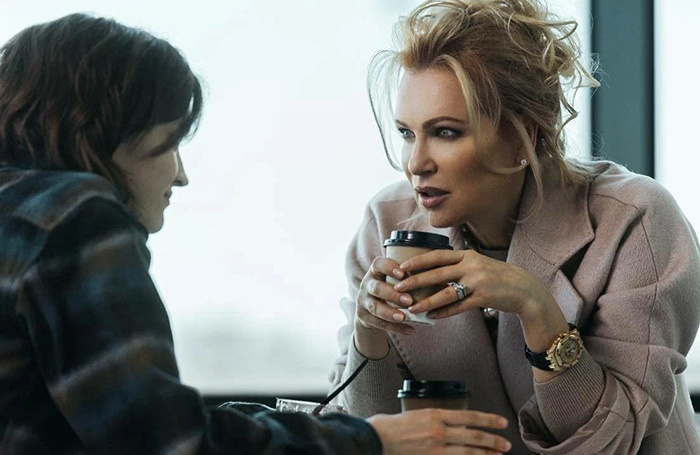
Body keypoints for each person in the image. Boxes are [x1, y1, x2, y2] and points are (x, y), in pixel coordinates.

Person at [0, 13, 510, 455]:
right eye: (169, 144)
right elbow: (172, 443)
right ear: (101, 136)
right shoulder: (77, 219)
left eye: (444, 131)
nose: (180, 175)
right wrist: (372, 440)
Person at [329, 0, 700, 453]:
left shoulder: (635, 220)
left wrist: (535, 306)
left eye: (445, 132)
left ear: (525, 134)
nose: (415, 163)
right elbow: (370, 437)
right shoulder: (386, 224)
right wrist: (368, 334)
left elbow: (613, 440)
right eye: (407, 133)